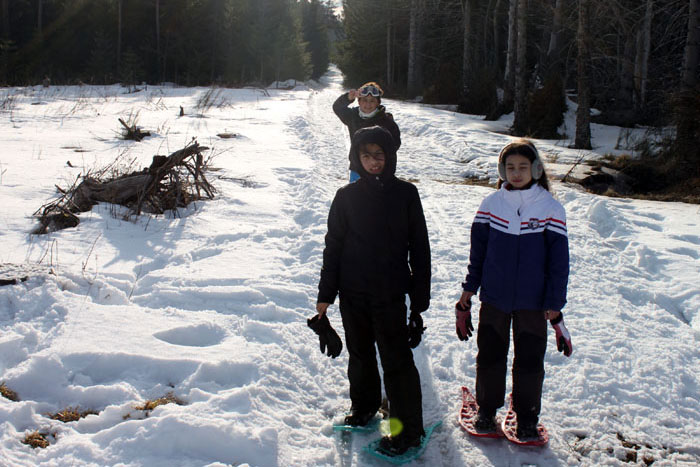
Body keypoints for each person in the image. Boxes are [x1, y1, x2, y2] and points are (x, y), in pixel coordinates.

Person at [315, 126, 431, 455]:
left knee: (396, 361)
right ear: (356, 158)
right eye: (366, 155)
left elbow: (420, 248)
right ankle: (364, 406)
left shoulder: (406, 194)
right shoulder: (346, 197)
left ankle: (408, 431)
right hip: (353, 293)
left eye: (379, 155)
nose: (373, 161)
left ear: (390, 156)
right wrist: (326, 294)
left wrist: (419, 300)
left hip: (390, 293)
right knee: (361, 354)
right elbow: (333, 246)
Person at [456, 139, 573, 439]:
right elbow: (478, 252)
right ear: (501, 170)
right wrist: (469, 288)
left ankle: (527, 416)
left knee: (530, 360)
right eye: (510, 167)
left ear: (535, 169)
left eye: (523, 167)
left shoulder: (550, 208)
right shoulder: (492, 205)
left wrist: (555, 302)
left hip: (533, 303)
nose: (516, 173)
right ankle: (486, 409)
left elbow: (559, 262)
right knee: (491, 354)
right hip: (495, 297)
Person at [332, 82, 401, 182]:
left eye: (372, 101)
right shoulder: (352, 116)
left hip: (378, 170)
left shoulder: (387, 121)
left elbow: (395, 144)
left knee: (377, 197)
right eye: (364, 100)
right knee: (355, 196)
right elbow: (337, 107)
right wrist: (348, 97)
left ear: (378, 103)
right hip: (357, 169)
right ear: (359, 102)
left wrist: (379, 156)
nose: (368, 104)